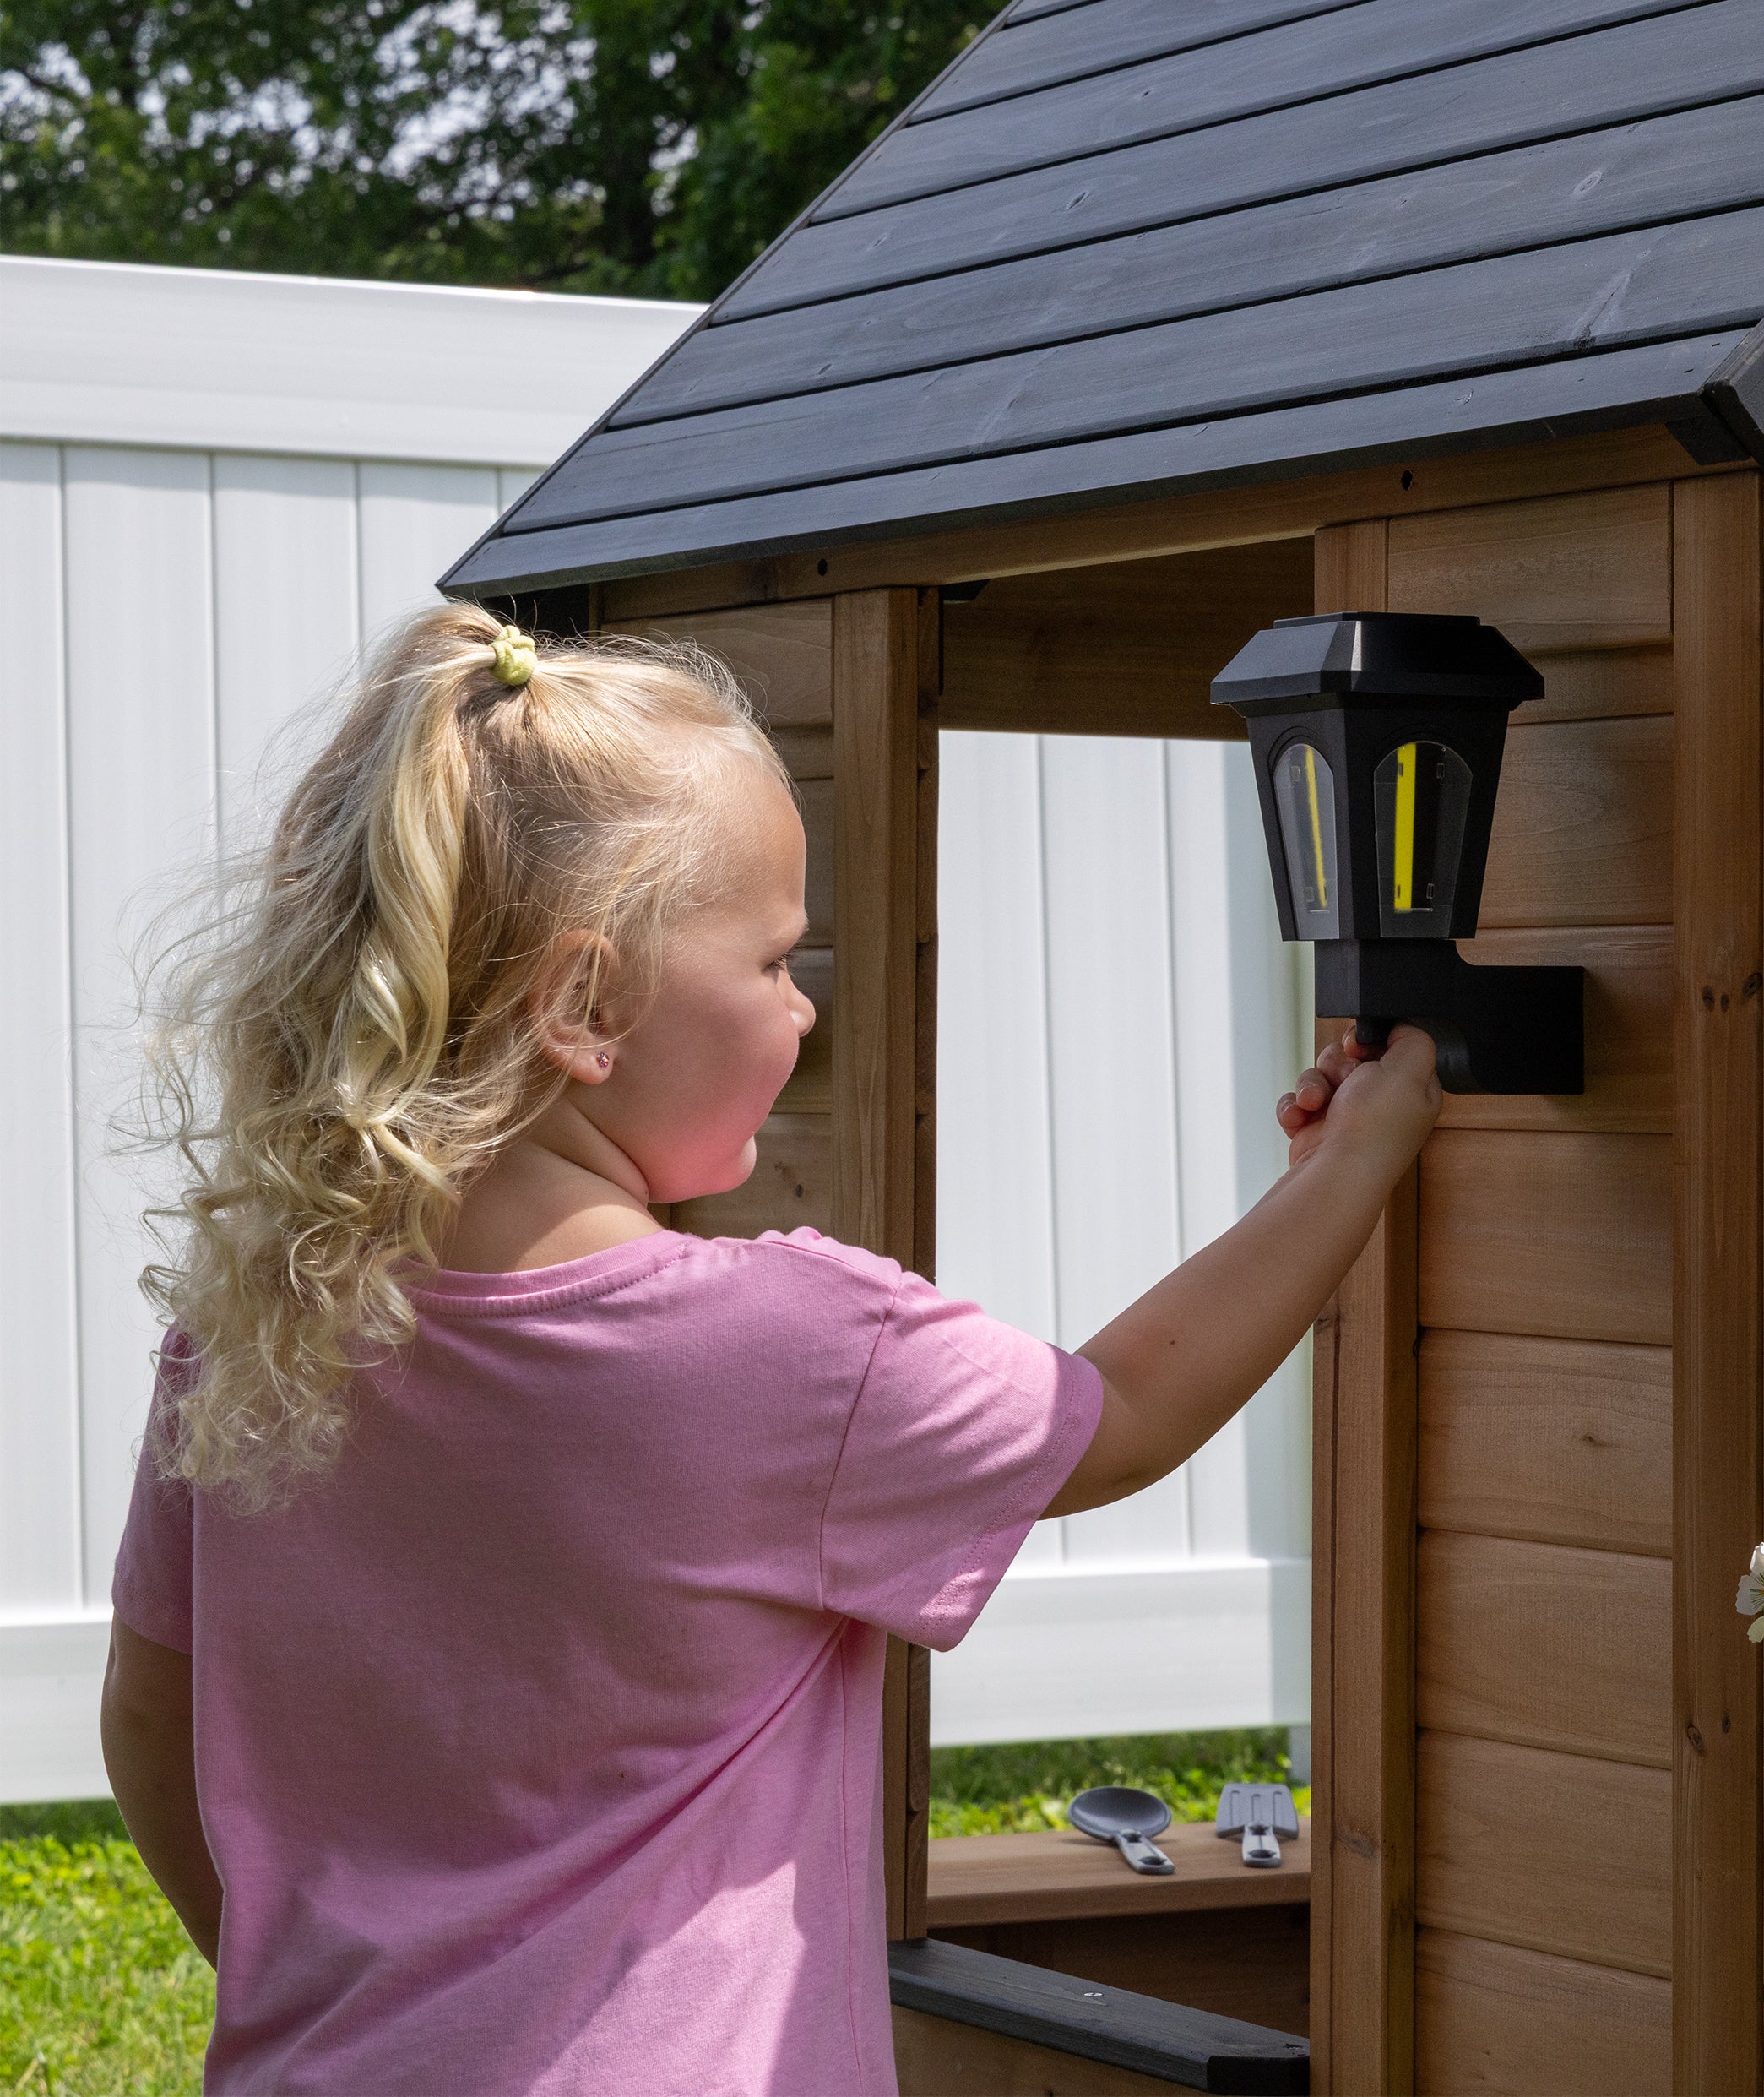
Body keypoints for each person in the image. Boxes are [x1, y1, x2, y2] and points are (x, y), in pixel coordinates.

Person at [100, 604, 1441, 2095]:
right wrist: (1350, 1170)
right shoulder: (789, 1351)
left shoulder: (251, 1328)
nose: (801, 1012)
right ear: (583, 1003)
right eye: (776, 962)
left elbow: (154, 1721)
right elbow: (1119, 1411)